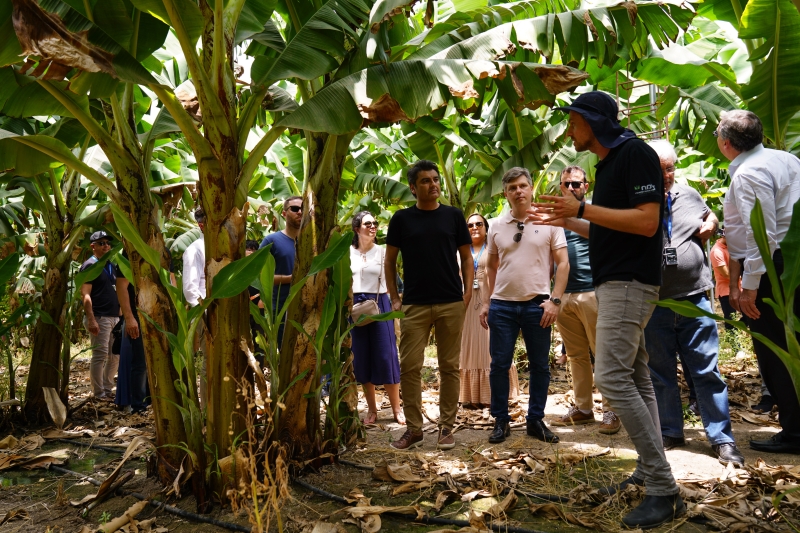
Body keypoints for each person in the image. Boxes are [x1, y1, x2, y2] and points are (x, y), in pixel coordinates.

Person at [531, 91, 684, 529]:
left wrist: (582, 208)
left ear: (593, 122)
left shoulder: (635, 153)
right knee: (636, 375)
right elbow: (608, 227)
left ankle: (664, 488)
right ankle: (647, 469)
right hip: (614, 279)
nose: (569, 131)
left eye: (573, 123)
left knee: (612, 377)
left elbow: (647, 222)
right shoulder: (609, 164)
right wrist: (566, 219)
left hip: (629, 283)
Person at [643, 140, 744, 466]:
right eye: (659, 171)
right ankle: (671, 430)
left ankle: (722, 438)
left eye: (670, 168)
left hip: (695, 297)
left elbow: (708, 214)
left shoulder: (689, 194)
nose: (666, 175)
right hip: (655, 303)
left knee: (707, 371)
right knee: (660, 373)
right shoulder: (637, 201)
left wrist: (712, 223)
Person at [719, 109, 800, 454]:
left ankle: (795, 431)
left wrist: (749, 285)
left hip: (773, 266)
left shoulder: (749, 173)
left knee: (775, 349)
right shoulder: (786, 159)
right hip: (788, 262)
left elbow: (761, 235)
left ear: (725, 144)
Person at [385, 160, 473, 450]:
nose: (433, 184)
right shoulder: (401, 219)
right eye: (425, 181)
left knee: (449, 367)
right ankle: (414, 429)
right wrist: (395, 298)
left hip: (451, 301)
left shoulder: (453, 216)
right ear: (413, 187)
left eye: (436, 179)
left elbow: (467, 257)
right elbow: (389, 261)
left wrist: (467, 293)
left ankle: (446, 428)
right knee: (409, 367)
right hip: (415, 305)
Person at [479, 167, 569, 444]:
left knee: (540, 366)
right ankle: (501, 421)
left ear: (531, 189)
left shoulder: (549, 221)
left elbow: (563, 263)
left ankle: (535, 420)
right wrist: (486, 302)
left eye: (522, 186)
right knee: (499, 365)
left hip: (537, 306)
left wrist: (555, 301)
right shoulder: (495, 225)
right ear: (505, 193)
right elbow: (489, 266)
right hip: (503, 307)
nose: (518, 191)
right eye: (512, 188)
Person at [550, 166, 620, 435]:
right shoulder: (556, 213)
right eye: (566, 183)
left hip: (592, 291)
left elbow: (601, 238)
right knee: (577, 355)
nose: (571, 188)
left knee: (602, 353)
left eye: (576, 184)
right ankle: (583, 408)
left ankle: (611, 409)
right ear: (560, 186)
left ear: (586, 187)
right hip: (563, 295)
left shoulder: (594, 211)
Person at [459, 213, 519, 409]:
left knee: (490, 348)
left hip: (492, 302)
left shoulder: (494, 248)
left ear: (486, 228)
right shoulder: (460, 251)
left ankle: (494, 395)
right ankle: (471, 396)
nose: (474, 227)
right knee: (467, 348)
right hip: (466, 304)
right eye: (470, 225)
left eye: (479, 224)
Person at [349, 211, 404, 425]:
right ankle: (371, 410)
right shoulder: (347, 253)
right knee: (362, 358)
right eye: (368, 223)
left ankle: (397, 409)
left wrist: (396, 301)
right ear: (357, 228)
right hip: (355, 307)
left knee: (386, 356)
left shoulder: (383, 251)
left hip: (380, 303)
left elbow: (395, 281)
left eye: (375, 223)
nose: (373, 227)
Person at [80, 231, 121, 401]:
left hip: (114, 317)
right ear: (93, 246)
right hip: (100, 317)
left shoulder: (111, 265)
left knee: (115, 355)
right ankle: (99, 393)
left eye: (107, 243)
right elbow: (86, 294)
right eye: (101, 243)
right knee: (100, 355)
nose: (106, 246)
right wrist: (91, 319)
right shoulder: (90, 265)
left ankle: (107, 388)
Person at [260, 196, 302, 344]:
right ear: (284, 213)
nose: (300, 212)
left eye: (303, 209)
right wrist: (291, 279)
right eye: (295, 209)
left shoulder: (312, 243)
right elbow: (260, 277)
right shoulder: (272, 241)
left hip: (306, 308)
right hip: (279, 309)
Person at [115, 253, 148, 413]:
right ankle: (139, 406)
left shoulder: (163, 249)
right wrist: (129, 318)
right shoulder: (131, 252)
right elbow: (121, 286)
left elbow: (171, 280)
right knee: (140, 362)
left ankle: (152, 401)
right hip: (137, 315)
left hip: (160, 315)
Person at [182, 207, 207, 404]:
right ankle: (209, 408)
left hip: (226, 311)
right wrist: (204, 313)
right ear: (202, 225)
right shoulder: (195, 249)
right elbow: (191, 289)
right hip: (207, 313)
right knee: (208, 362)